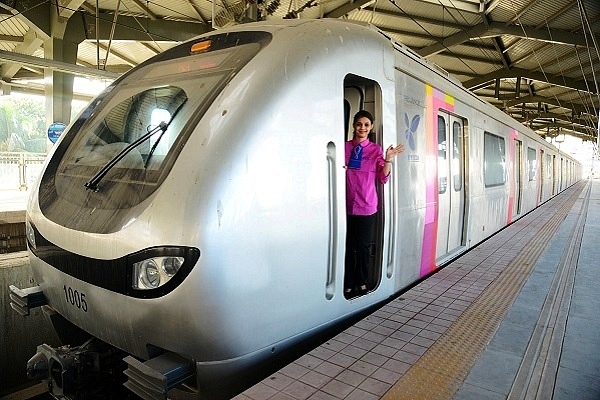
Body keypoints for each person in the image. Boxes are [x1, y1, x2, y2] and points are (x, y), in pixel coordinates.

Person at [344, 110, 404, 298]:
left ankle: (361, 280)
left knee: (362, 246)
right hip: (344, 205)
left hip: (366, 205)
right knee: (348, 246)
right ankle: (347, 280)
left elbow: (382, 178)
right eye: (359, 124)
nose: (362, 128)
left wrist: (387, 159)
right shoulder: (343, 147)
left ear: (370, 128)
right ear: (353, 126)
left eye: (366, 125)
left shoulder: (376, 150)